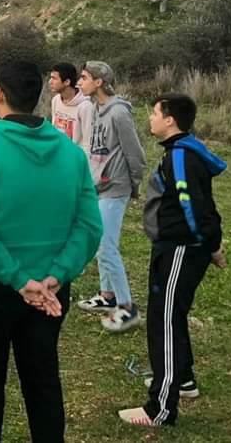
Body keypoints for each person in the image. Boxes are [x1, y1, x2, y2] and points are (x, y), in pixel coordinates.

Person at [0, 60, 102, 443]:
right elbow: (89, 227)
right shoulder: (71, 155)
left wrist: (19, 280)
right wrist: (56, 275)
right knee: (43, 382)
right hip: (49, 291)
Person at [119, 93, 227, 428]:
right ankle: (184, 380)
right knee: (171, 315)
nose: (150, 118)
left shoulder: (181, 156)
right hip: (174, 246)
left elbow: (194, 207)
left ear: (170, 120)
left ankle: (160, 409)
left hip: (181, 248)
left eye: (154, 113)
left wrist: (211, 245)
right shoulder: (180, 151)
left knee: (163, 321)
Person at [76, 61, 146, 332]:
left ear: (99, 82)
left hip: (116, 187)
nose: (79, 82)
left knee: (107, 247)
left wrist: (132, 184)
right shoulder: (95, 108)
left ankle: (127, 309)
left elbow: (135, 154)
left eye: (84, 78)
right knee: (100, 242)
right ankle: (107, 296)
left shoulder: (118, 112)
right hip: (99, 186)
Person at [48, 62, 93, 151]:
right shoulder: (56, 100)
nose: (50, 82)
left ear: (67, 82)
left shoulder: (85, 107)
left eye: (54, 78)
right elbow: (54, 129)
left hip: (75, 156)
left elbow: (88, 142)